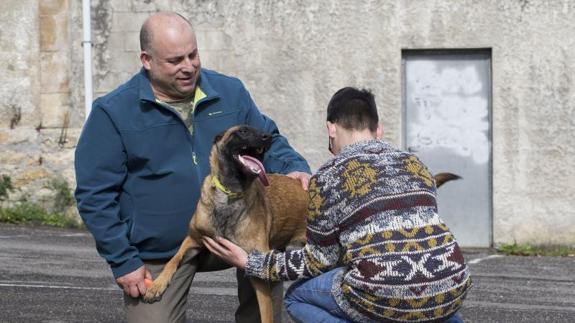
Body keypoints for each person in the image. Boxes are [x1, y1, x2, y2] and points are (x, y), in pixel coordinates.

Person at [74, 11, 311, 323]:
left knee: (264, 301)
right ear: (147, 60)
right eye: (175, 60)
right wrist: (123, 260)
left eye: (193, 55)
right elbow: (94, 195)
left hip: (245, 227)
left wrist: (294, 166)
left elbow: (269, 139)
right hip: (163, 248)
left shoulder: (230, 92)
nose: (188, 67)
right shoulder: (113, 113)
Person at [203, 87, 472, 323]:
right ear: (378, 129)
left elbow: (317, 261)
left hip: (382, 294)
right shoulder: (417, 165)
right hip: (453, 287)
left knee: (297, 299)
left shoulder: (328, 177)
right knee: (431, 302)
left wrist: (252, 263)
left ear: (331, 128)